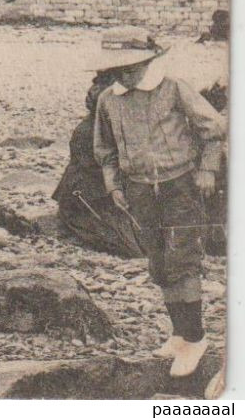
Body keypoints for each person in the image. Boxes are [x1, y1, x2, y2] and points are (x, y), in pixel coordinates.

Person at [92, 28, 226, 377]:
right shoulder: (109, 99)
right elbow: (105, 150)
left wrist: (208, 170)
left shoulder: (173, 88)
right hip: (138, 189)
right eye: (117, 68)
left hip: (179, 184)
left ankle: (196, 338)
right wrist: (113, 186)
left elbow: (214, 130)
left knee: (182, 256)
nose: (124, 73)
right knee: (159, 258)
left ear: (148, 61)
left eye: (131, 66)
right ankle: (179, 333)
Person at [53, 68, 143, 259]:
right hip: (92, 197)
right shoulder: (93, 129)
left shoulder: (116, 116)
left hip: (110, 190)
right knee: (138, 247)